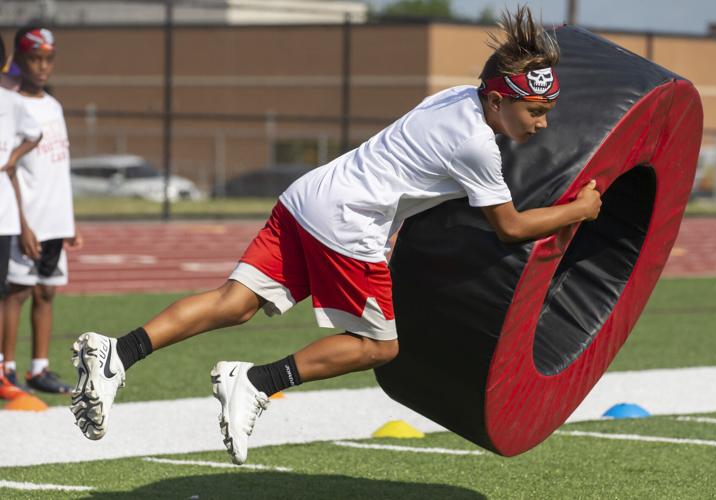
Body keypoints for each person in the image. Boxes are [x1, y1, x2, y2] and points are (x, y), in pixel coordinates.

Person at [70, 7, 601, 464]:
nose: (541, 124)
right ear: (499, 100)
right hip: (346, 224)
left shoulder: (455, 97)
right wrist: (580, 209)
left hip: (309, 196)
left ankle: (119, 351)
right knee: (379, 346)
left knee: (234, 303)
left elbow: (422, 174)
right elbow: (509, 228)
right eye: (534, 111)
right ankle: (256, 382)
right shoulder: (478, 145)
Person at [2, 27, 82, 395]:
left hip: (55, 219)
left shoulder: (53, 105)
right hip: (28, 220)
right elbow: (10, 169)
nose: (43, 66)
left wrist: (70, 219)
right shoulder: (13, 105)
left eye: (49, 59)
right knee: (16, 292)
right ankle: (8, 367)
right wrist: (23, 223)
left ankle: (40, 368)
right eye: (35, 58)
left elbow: (58, 167)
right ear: (17, 59)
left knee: (46, 293)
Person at [0, 36, 44, 400]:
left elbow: (35, 133)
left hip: (3, 217)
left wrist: (12, 156)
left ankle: (2, 368)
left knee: (4, 293)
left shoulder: (10, 102)